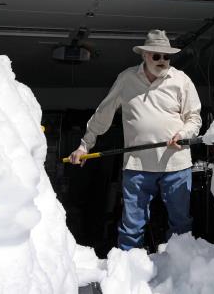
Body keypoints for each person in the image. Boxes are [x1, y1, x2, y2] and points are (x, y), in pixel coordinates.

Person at [68, 29, 202, 250]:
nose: (162, 61)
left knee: (181, 223)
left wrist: (184, 135)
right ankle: (129, 274)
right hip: (138, 165)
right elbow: (104, 113)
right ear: (144, 55)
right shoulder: (126, 78)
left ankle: (182, 273)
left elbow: (194, 118)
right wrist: (84, 146)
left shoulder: (181, 80)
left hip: (176, 164)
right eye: (156, 56)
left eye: (166, 56)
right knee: (132, 226)